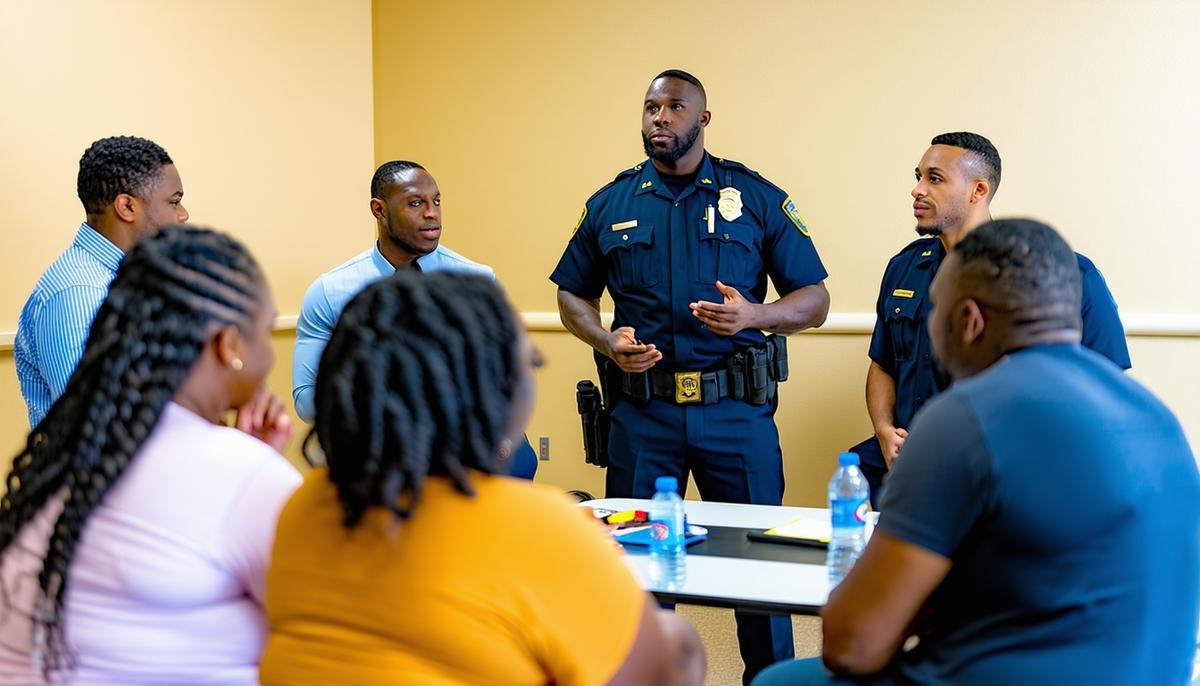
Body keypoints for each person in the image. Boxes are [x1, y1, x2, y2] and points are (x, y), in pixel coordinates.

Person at [754, 219, 1200, 686]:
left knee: (780, 681)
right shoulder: (1156, 416)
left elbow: (852, 646)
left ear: (968, 321)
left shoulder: (965, 416)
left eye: (935, 312)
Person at [262, 271, 706, 686]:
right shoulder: (538, 522)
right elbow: (645, 670)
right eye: (527, 364)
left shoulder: (301, 507)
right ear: (493, 392)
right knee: (678, 640)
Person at [550, 68, 829, 682]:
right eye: (651, 107)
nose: (659, 118)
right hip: (643, 414)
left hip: (735, 413)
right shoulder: (611, 202)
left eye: (675, 107)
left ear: (702, 119)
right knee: (638, 574)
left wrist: (756, 314)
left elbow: (815, 299)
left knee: (762, 572)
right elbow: (572, 295)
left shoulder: (753, 197)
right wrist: (604, 338)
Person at [0, 226, 301, 684]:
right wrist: (248, 465)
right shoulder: (243, 474)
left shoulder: (66, 454)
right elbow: (326, 635)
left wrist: (246, 455)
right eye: (265, 329)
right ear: (231, 346)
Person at [853, 132, 1131, 504]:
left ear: (978, 190)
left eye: (934, 179)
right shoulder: (905, 267)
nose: (917, 189)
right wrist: (885, 430)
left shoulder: (1066, 274)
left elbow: (1105, 389)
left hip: (1002, 464)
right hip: (909, 458)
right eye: (917, 176)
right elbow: (882, 362)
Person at [291, 160, 538, 478]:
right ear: (379, 210)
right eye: (415, 203)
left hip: (472, 453)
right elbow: (307, 400)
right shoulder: (331, 291)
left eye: (436, 201)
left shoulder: (478, 283)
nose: (432, 213)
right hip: (377, 457)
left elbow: (508, 379)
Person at [14, 135, 189, 427]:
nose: (183, 215)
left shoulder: (130, 280)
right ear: (127, 207)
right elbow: (99, 423)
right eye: (174, 202)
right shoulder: (78, 294)